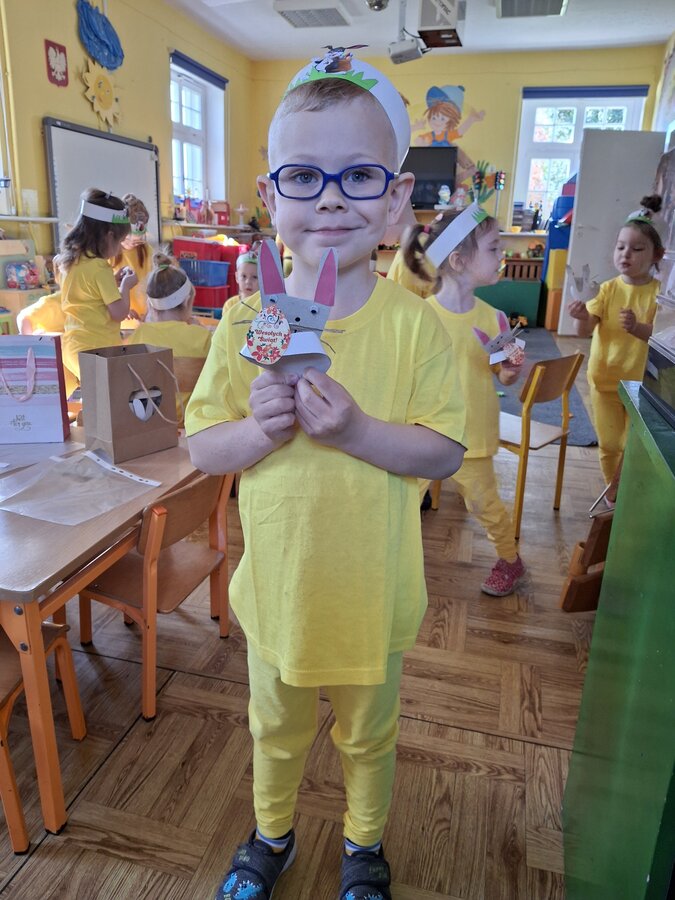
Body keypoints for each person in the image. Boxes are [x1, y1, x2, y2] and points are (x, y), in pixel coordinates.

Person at [185, 50, 466, 900]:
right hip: (277, 593)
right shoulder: (248, 320)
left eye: (358, 177)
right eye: (304, 177)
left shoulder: (417, 328)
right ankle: (270, 836)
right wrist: (256, 430)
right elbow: (203, 449)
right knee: (273, 730)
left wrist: (358, 431)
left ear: (395, 199)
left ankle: (362, 846)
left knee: (367, 737)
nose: (332, 199)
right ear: (269, 198)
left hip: (371, 597)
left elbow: (443, 453)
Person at [402, 202, 527, 596]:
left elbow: (503, 374)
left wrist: (510, 370)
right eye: (493, 248)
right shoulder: (419, 315)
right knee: (403, 502)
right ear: (458, 260)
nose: (502, 254)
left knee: (486, 505)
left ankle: (510, 560)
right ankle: (391, 562)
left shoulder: (495, 318)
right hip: (425, 433)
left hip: (473, 433)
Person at [568, 195, 663, 496]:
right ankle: (613, 493)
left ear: (657, 255)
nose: (626, 254)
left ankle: (628, 491)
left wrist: (637, 328)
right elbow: (585, 330)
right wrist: (581, 317)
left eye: (637, 249)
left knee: (629, 444)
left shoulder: (659, 294)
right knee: (609, 444)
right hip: (605, 381)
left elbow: (662, 338)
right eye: (620, 247)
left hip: (641, 386)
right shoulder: (607, 289)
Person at [57, 189, 138, 396]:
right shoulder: (100, 268)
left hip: (73, 346)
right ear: (109, 236)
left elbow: (89, 293)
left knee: (96, 398)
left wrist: (113, 281)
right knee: (108, 400)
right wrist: (126, 287)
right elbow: (119, 313)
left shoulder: (72, 260)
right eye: (120, 242)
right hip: (96, 350)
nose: (120, 249)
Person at [127, 251, 211, 419]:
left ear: (151, 306)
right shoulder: (203, 337)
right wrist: (200, 329)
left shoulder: (140, 335)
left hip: (150, 422)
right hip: (192, 422)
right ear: (187, 301)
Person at [110, 193, 153, 319]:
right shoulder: (109, 255)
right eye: (128, 239)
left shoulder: (147, 251)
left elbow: (154, 285)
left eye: (138, 241)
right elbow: (105, 292)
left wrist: (151, 311)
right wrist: (124, 310)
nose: (133, 244)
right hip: (122, 318)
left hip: (145, 317)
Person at [223, 248, 259, 312]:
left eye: (254, 277)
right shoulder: (230, 305)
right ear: (237, 277)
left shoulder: (263, 306)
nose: (248, 282)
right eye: (244, 276)